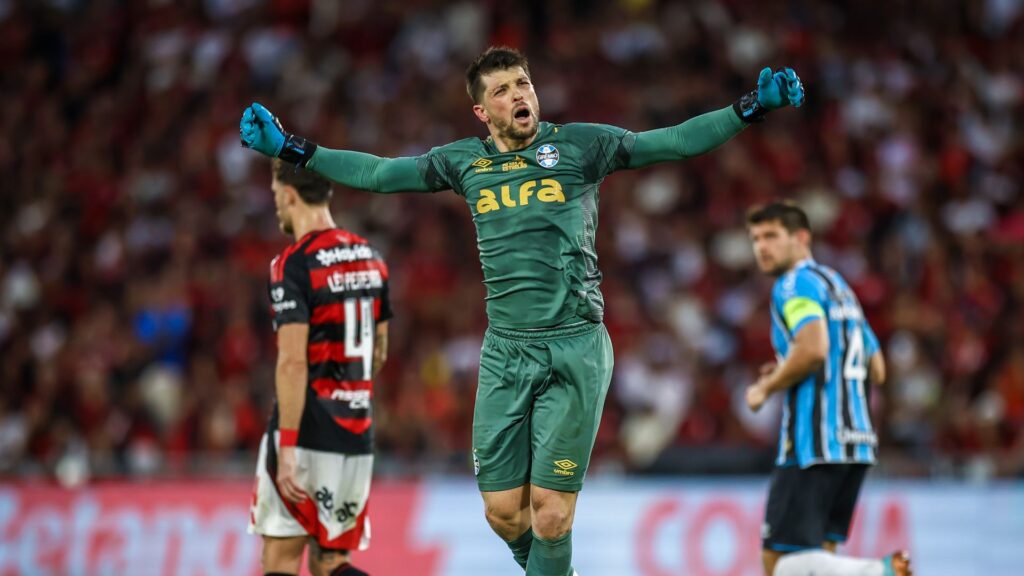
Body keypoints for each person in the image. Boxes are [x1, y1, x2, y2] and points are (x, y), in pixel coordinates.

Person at [241, 46, 804, 576]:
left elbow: (676, 141)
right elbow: (379, 174)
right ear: (482, 110)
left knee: (552, 513)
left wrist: (749, 108)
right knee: (505, 513)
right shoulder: (464, 162)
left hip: (575, 345)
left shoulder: (582, 146)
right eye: (505, 88)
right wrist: (292, 147)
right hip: (506, 351)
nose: (521, 94)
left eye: (524, 83)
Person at [745, 201, 911, 576]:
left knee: (778, 563)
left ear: (801, 238)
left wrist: (767, 387)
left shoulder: (792, 284)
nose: (761, 247)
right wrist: (793, 364)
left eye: (771, 236)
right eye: (755, 239)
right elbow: (878, 368)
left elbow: (814, 349)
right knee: (820, 560)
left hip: (813, 442)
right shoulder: (839, 286)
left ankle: (878, 571)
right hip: (856, 442)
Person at [248, 159, 391, 576]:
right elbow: (378, 353)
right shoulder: (372, 257)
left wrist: (288, 448)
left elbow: (292, 362)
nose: (277, 206)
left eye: (276, 195)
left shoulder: (292, 263)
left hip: (306, 430)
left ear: (289, 194)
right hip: (356, 434)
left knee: (280, 559)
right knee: (332, 562)